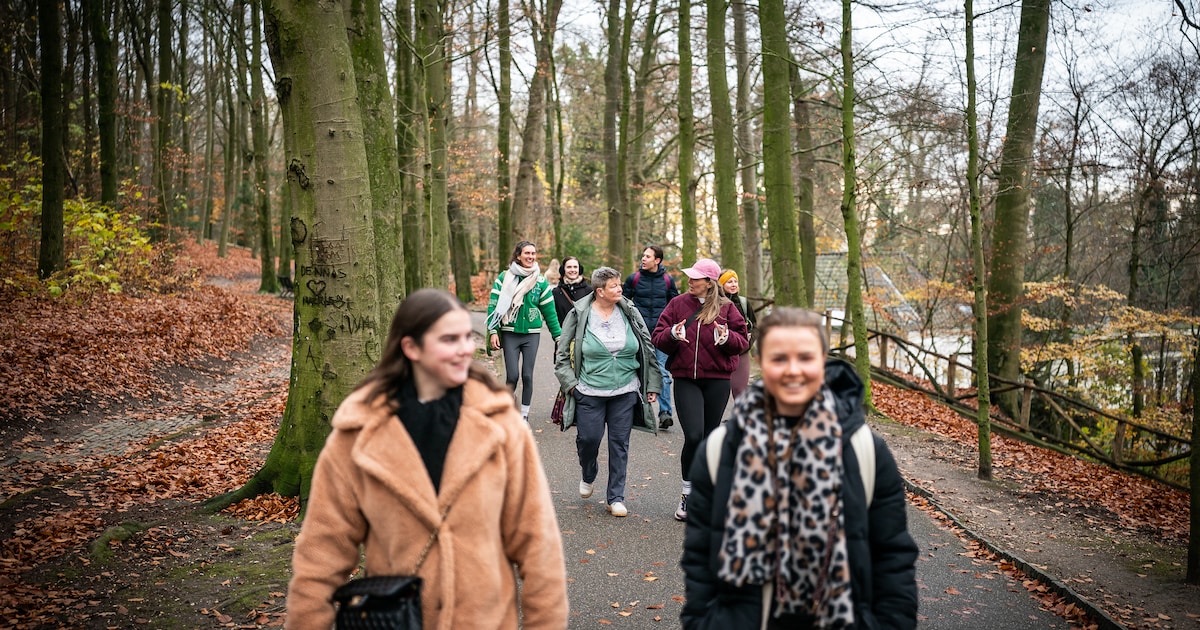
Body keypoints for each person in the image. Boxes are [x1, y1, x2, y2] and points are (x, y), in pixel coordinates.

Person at [285, 289, 569, 630]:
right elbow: (321, 554)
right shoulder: (358, 434)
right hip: (394, 620)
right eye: (449, 339)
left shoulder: (501, 425)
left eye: (467, 336)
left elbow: (539, 545)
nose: (466, 348)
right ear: (411, 347)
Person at [680, 307, 918, 629]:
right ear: (762, 363)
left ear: (823, 361)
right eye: (779, 359)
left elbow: (893, 557)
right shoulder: (720, 449)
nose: (793, 370)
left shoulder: (866, 451)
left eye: (805, 358)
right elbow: (699, 557)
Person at [554, 267, 662, 517]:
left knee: (619, 444)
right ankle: (588, 473)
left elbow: (647, 348)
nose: (620, 290)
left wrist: (652, 384)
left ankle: (616, 497)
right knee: (589, 439)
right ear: (599, 291)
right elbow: (561, 355)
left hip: (625, 390)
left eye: (620, 285)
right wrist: (571, 384)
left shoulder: (629, 311)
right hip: (589, 390)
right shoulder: (580, 313)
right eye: (614, 286)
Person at [651, 257, 748, 522]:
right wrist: (672, 334)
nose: (690, 282)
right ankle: (687, 494)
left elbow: (742, 341)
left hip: (717, 380)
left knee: (708, 438)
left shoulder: (728, 308)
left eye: (695, 278)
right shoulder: (677, 304)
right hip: (686, 379)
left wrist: (727, 338)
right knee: (693, 436)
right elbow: (657, 337)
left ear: (709, 283)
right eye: (690, 278)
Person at [486, 241, 562, 421]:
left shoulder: (540, 281)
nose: (531, 257)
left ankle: (524, 416)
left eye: (533, 253)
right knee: (512, 375)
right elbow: (493, 307)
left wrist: (558, 337)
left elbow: (550, 312)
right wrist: (494, 331)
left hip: (531, 334)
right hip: (509, 332)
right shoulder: (504, 277)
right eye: (527, 253)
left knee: (527, 375)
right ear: (518, 255)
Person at [623, 245, 679, 429]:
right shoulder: (634, 279)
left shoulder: (668, 281)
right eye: (643, 256)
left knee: (662, 371)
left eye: (648, 256)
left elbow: (675, 306)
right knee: (635, 370)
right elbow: (623, 302)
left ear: (657, 260)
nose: (643, 259)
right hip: (638, 334)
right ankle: (636, 411)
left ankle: (665, 413)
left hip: (661, 335)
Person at [719, 269, 757, 401]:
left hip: (742, 352)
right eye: (729, 282)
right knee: (720, 391)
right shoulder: (715, 304)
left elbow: (755, 326)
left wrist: (747, 343)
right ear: (721, 284)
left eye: (735, 281)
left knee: (740, 390)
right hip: (720, 353)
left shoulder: (744, 303)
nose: (734, 284)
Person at [552, 256, 592, 325]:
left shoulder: (589, 291)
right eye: (569, 267)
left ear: (580, 269)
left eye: (575, 267)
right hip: (563, 333)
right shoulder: (556, 292)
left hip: (584, 334)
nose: (572, 270)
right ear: (563, 270)